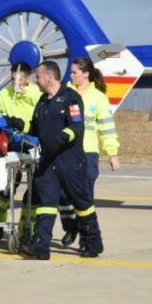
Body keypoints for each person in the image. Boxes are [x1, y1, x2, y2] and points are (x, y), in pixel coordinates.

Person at [20, 61, 102, 260]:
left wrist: (61, 138)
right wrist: (23, 147)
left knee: (82, 203)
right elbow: (33, 130)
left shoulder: (71, 99)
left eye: (38, 77)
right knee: (46, 202)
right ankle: (41, 245)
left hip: (70, 161)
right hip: (47, 162)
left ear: (49, 78)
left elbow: (77, 127)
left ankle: (92, 242)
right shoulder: (41, 102)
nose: (36, 81)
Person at [59, 57, 120, 248]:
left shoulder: (99, 98)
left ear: (85, 74)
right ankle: (71, 227)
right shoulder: (64, 93)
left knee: (84, 198)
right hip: (65, 152)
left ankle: (86, 239)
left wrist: (112, 153)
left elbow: (107, 128)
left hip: (88, 153)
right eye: (70, 72)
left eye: (74, 72)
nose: (71, 75)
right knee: (62, 195)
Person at [0, 61, 41, 240]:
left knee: (35, 188)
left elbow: (41, 117)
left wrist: (24, 97)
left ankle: (27, 226)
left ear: (28, 78)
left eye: (19, 80)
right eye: (12, 80)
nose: (15, 84)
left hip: (33, 143)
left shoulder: (36, 93)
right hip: (12, 143)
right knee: (8, 185)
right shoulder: (4, 94)